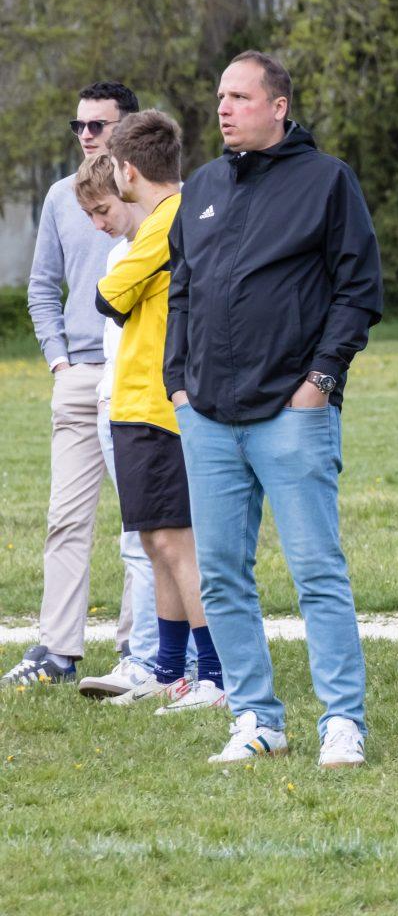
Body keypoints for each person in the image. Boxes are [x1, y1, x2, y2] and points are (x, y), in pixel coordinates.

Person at [166, 51, 383, 767]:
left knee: (317, 571)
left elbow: (359, 289)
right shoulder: (203, 185)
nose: (224, 108)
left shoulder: (327, 181)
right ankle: (257, 719)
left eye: (240, 96)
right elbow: (182, 289)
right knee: (221, 575)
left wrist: (320, 379)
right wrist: (178, 383)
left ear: (279, 106)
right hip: (207, 416)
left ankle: (342, 721)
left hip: (292, 411)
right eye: (220, 96)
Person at [94, 111, 227, 712]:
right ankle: (169, 669)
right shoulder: (170, 217)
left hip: (158, 405)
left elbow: (108, 296)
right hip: (136, 402)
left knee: (176, 543)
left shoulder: (168, 217)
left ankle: (216, 675)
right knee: (155, 541)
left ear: (127, 170)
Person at [6, 81, 135, 688]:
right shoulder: (61, 197)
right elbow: (41, 287)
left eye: (97, 125)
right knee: (65, 518)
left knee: (143, 520)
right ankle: (57, 651)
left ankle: (140, 649)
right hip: (79, 377)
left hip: (136, 375)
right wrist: (59, 363)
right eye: (78, 125)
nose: (86, 135)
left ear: (126, 127)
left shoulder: (157, 197)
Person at [68, 155, 177, 700]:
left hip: (153, 408)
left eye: (103, 210)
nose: (98, 224)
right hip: (116, 403)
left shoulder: (160, 242)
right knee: (140, 539)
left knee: (154, 540)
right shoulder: (119, 253)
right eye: (88, 214)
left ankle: (152, 660)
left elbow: (111, 303)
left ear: (128, 187)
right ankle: (154, 657)